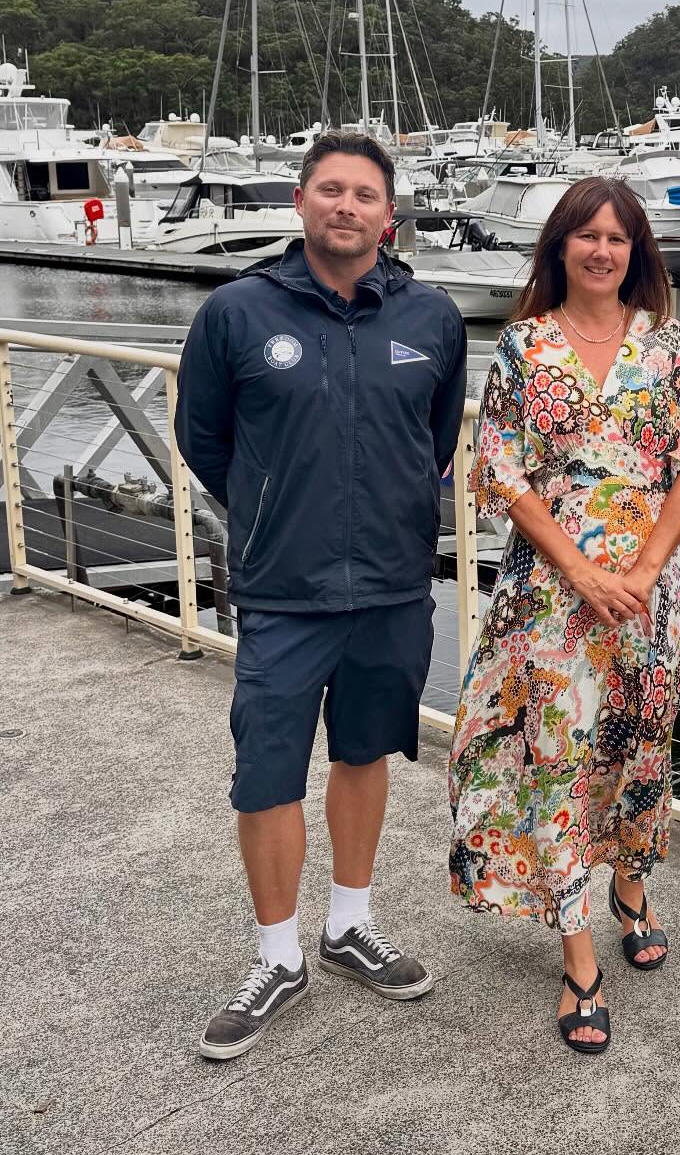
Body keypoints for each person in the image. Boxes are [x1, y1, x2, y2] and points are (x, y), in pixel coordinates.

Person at [177, 130, 468, 1060]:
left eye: (365, 194)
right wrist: (274, 510)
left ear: (389, 214)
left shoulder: (432, 318)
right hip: (283, 588)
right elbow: (204, 438)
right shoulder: (236, 312)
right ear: (301, 201)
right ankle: (277, 957)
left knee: (364, 752)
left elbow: (435, 441)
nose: (347, 206)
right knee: (266, 773)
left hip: (391, 585)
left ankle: (348, 925)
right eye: (331, 190)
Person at [449, 176, 680, 1055]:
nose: (602, 250)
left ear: (635, 252)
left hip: (655, 592)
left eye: (618, 237)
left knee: (641, 744)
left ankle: (632, 884)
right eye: (587, 235)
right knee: (559, 759)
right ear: (561, 247)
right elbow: (502, 471)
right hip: (552, 595)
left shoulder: (666, 342)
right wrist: (579, 570)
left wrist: (645, 566)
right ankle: (578, 957)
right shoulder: (525, 345)